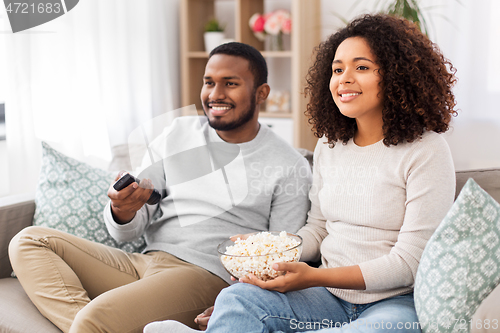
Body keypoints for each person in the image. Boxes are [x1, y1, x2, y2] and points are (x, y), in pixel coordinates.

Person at [145, 13, 458, 333]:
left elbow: (410, 264)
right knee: (238, 297)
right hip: (327, 298)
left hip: (394, 304)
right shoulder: (330, 145)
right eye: (337, 69)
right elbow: (318, 230)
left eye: (361, 67)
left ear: (396, 75)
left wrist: (314, 276)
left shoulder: (426, 151)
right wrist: (267, 249)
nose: (344, 79)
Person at [8, 42, 312, 333]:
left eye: (230, 83)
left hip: (203, 275)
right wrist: (121, 210)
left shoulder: (289, 165)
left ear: (261, 93)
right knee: (29, 241)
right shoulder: (178, 133)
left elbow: (282, 260)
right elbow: (127, 230)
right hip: (144, 260)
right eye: (209, 82)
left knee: (94, 319)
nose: (214, 94)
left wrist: (236, 300)